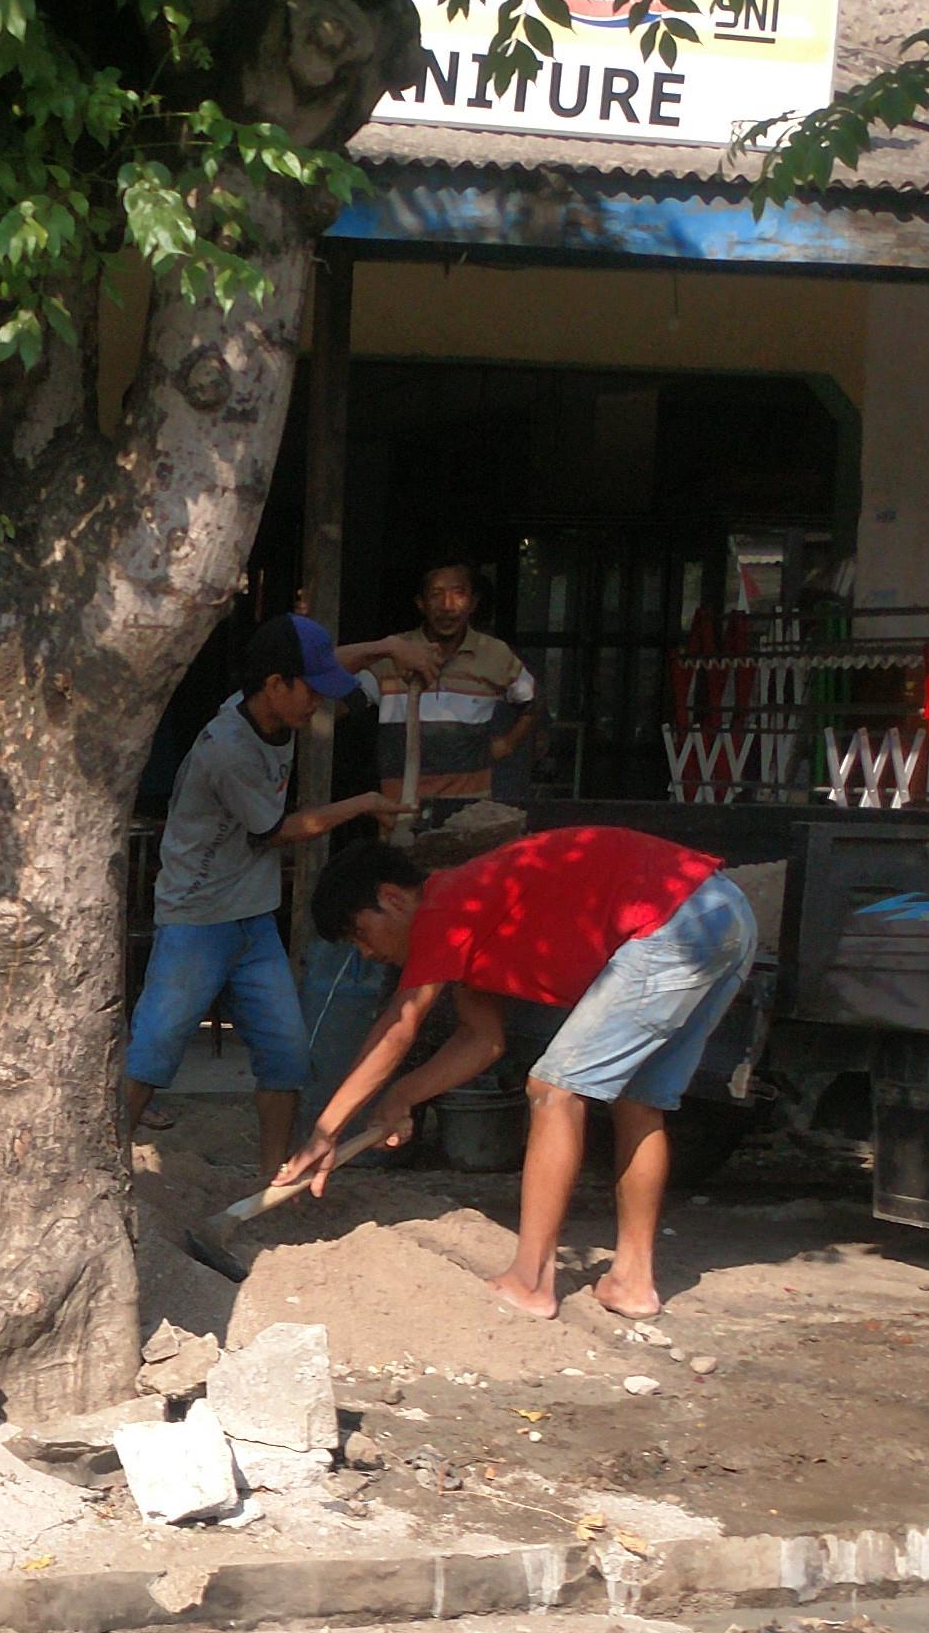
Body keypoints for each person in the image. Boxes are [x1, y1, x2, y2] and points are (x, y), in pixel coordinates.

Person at [278, 827, 757, 1322]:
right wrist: (404, 1095)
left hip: (676, 920)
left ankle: (531, 1280)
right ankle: (632, 1282)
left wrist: (324, 1130)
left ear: (392, 898)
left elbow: (400, 1026)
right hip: (724, 912)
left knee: (553, 1088)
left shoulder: (446, 909)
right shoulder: (473, 914)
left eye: (360, 934)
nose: (367, 954)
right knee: (639, 1100)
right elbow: (481, 1040)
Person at [120, 613, 424, 1173]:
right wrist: (363, 804)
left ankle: (274, 1178)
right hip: (196, 917)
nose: (318, 704)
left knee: (286, 1056)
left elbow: (333, 664)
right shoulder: (227, 750)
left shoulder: (269, 695)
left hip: (254, 917)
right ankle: (105, 1168)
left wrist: (386, 645)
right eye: (310, 691)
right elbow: (279, 831)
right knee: (154, 1051)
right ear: (276, 685)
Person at [370, 559, 541, 808]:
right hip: (399, 811)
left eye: (458, 594)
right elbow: (344, 700)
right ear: (421, 603)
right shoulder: (393, 651)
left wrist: (506, 744)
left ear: (473, 604)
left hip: (469, 814)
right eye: (436, 595)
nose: (447, 606)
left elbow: (533, 702)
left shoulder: (494, 654)